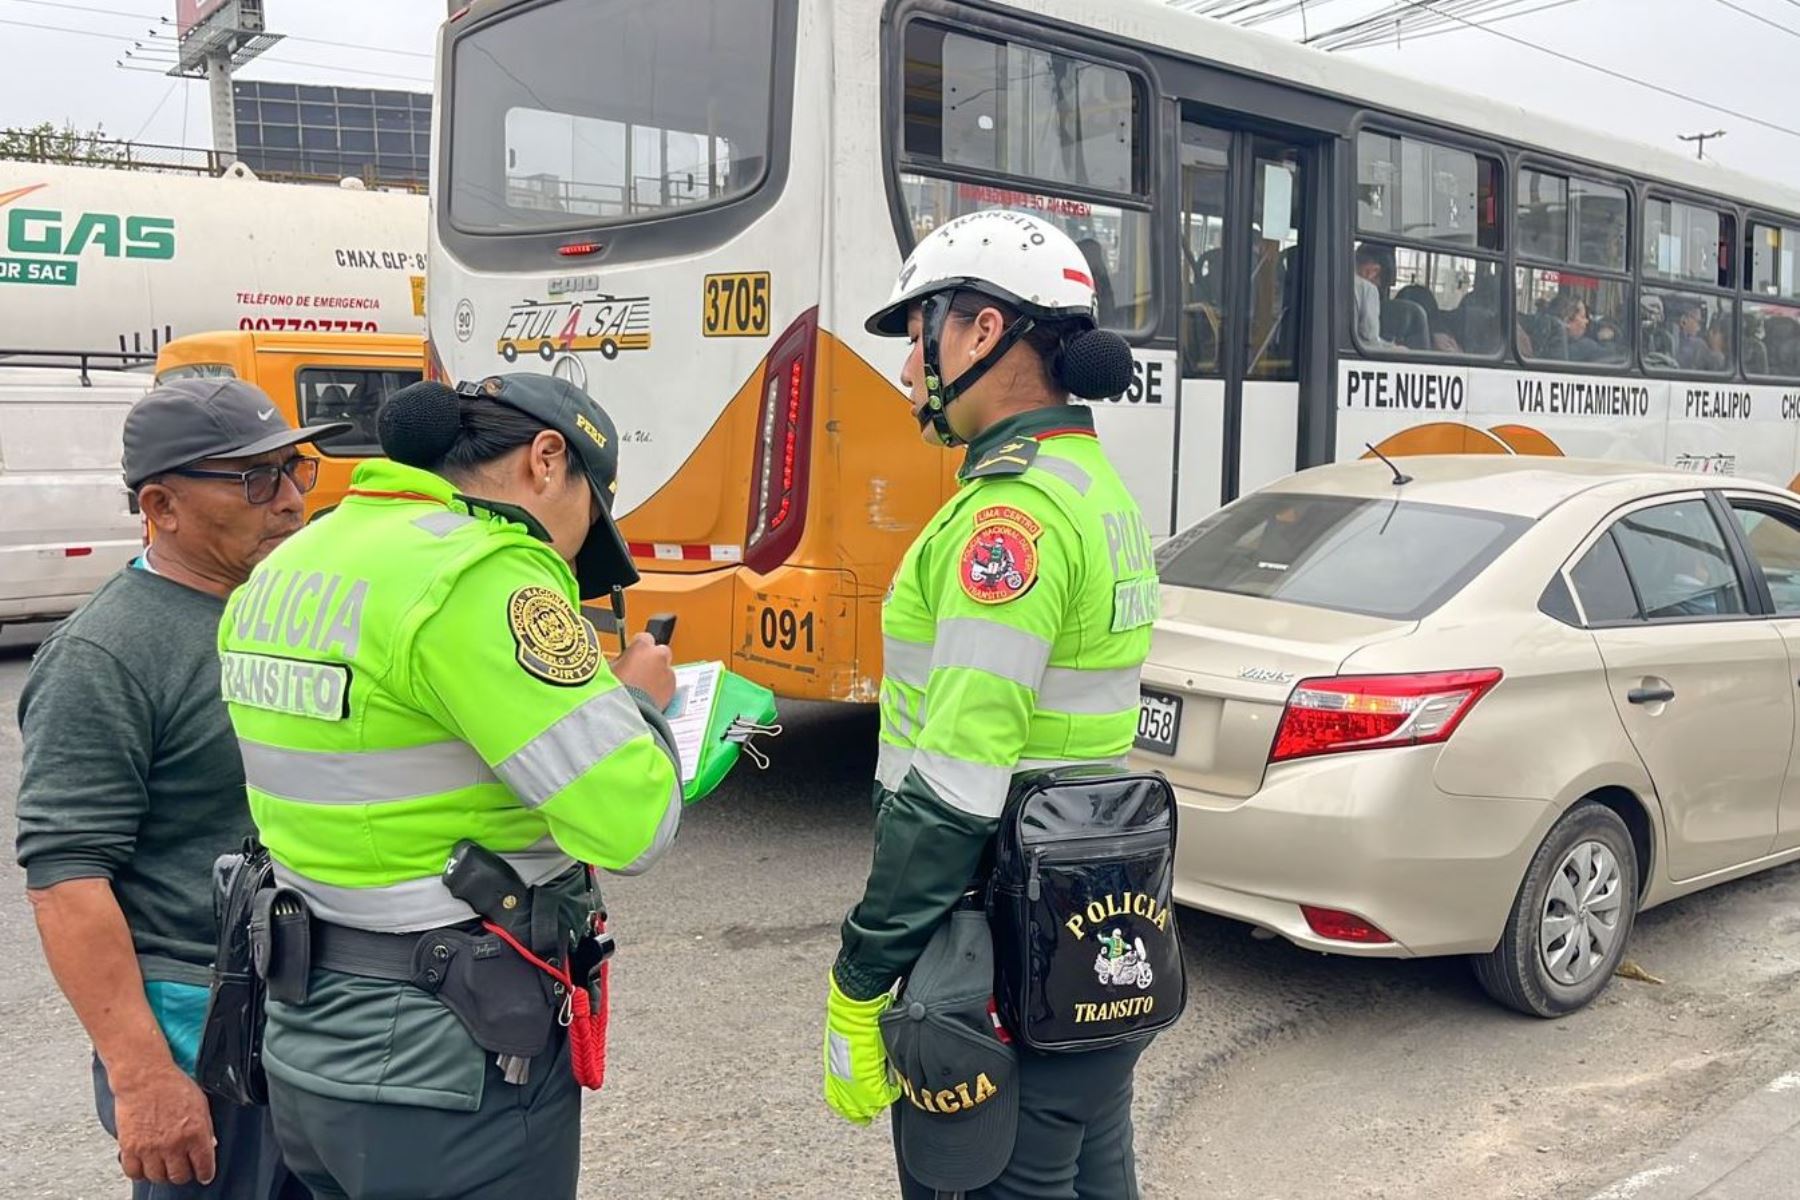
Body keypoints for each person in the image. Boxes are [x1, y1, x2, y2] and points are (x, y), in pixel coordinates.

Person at [215, 374, 683, 1198]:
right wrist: (637, 701)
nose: (571, 557)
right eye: (586, 522)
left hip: (306, 1039)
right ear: (547, 459)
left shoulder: (294, 563)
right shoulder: (479, 575)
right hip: (446, 1068)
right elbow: (633, 823)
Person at [822, 210, 1160, 1197]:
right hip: (1094, 931)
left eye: (918, 335)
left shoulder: (1007, 519)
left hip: (1002, 945)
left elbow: (957, 784)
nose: (905, 370)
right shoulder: (1094, 488)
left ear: (980, 331)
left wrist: (860, 975)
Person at [16, 378, 338, 1199]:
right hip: (203, 1042)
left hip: (318, 1023)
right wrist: (143, 1080)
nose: (292, 501)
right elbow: (65, 881)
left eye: (295, 470)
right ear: (161, 505)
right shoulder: (105, 655)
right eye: (255, 479)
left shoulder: (288, 611)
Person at [1353, 242, 1392, 348]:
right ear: (1373, 271)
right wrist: (1395, 350)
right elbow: (1370, 340)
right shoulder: (1367, 288)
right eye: (1378, 285)